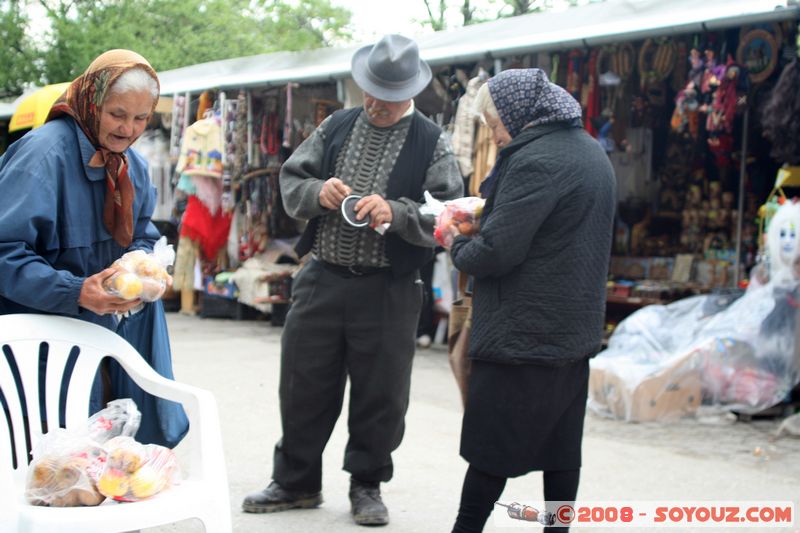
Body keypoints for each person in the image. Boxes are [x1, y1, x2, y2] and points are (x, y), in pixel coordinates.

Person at [242, 34, 463, 526]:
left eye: (387, 96)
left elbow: (447, 215)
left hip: (389, 286)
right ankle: (296, 481)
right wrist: (318, 192)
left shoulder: (432, 141)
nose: (375, 103)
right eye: (369, 91)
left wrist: (398, 212)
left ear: (410, 91)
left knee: (380, 392)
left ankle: (367, 485)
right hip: (322, 276)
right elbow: (292, 181)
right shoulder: (337, 125)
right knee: (303, 383)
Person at [447, 68, 616, 532]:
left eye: (495, 122)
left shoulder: (536, 159)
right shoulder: (589, 151)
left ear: (521, 114)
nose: (493, 133)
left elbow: (498, 251)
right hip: (572, 334)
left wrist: (457, 241)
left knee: (490, 450)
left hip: (522, 337)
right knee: (561, 452)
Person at [0, 49, 188, 448]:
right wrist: (77, 291)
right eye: (117, 114)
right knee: (44, 463)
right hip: (36, 347)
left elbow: (142, 233)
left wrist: (143, 265)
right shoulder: (42, 156)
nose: (128, 129)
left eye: (141, 118)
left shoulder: (131, 166)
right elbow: (4, 251)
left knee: (103, 459)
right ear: (91, 100)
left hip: (102, 341)